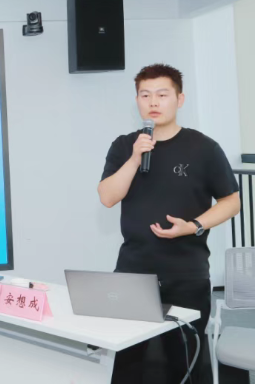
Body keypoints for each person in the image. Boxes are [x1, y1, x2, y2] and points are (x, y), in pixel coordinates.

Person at [98, 64, 240, 384]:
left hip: (186, 273)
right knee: (127, 365)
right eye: (145, 95)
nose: (153, 102)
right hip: (133, 272)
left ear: (180, 99)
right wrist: (135, 158)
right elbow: (107, 197)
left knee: (185, 365)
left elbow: (232, 202)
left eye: (162, 95)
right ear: (137, 100)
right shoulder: (124, 146)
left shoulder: (204, 148)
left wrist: (194, 225)